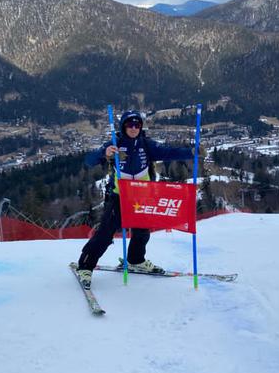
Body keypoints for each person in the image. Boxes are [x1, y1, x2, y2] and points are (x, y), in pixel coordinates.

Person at [76, 110, 194, 289]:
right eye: (130, 125)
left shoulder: (146, 145)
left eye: (137, 124)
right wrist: (105, 152)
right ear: (124, 126)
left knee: (141, 232)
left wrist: (191, 152)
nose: (133, 128)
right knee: (105, 233)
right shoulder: (115, 144)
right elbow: (89, 160)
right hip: (119, 196)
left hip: (141, 196)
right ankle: (85, 266)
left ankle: (135, 260)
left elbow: (169, 152)